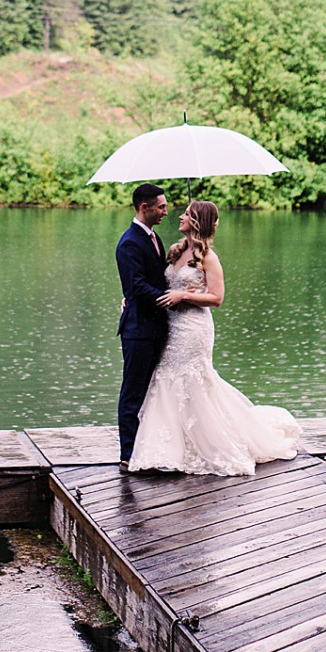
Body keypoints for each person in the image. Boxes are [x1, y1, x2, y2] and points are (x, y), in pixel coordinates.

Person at [128, 200, 301, 476]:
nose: (180, 216)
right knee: (166, 378)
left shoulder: (209, 258)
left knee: (192, 379)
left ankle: (209, 442)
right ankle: (169, 448)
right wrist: (132, 300)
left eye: (186, 214)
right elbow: (157, 285)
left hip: (194, 329)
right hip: (171, 326)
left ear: (197, 221)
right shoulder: (176, 250)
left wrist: (184, 295)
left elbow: (217, 298)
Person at [114, 182, 173, 471]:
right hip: (138, 331)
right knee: (133, 392)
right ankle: (128, 454)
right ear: (144, 207)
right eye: (161, 207)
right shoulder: (129, 243)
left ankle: (149, 449)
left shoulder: (154, 238)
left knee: (156, 392)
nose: (165, 211)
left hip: (157, 328)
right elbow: (136, 286)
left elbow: (157, 276)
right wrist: (171, 299)